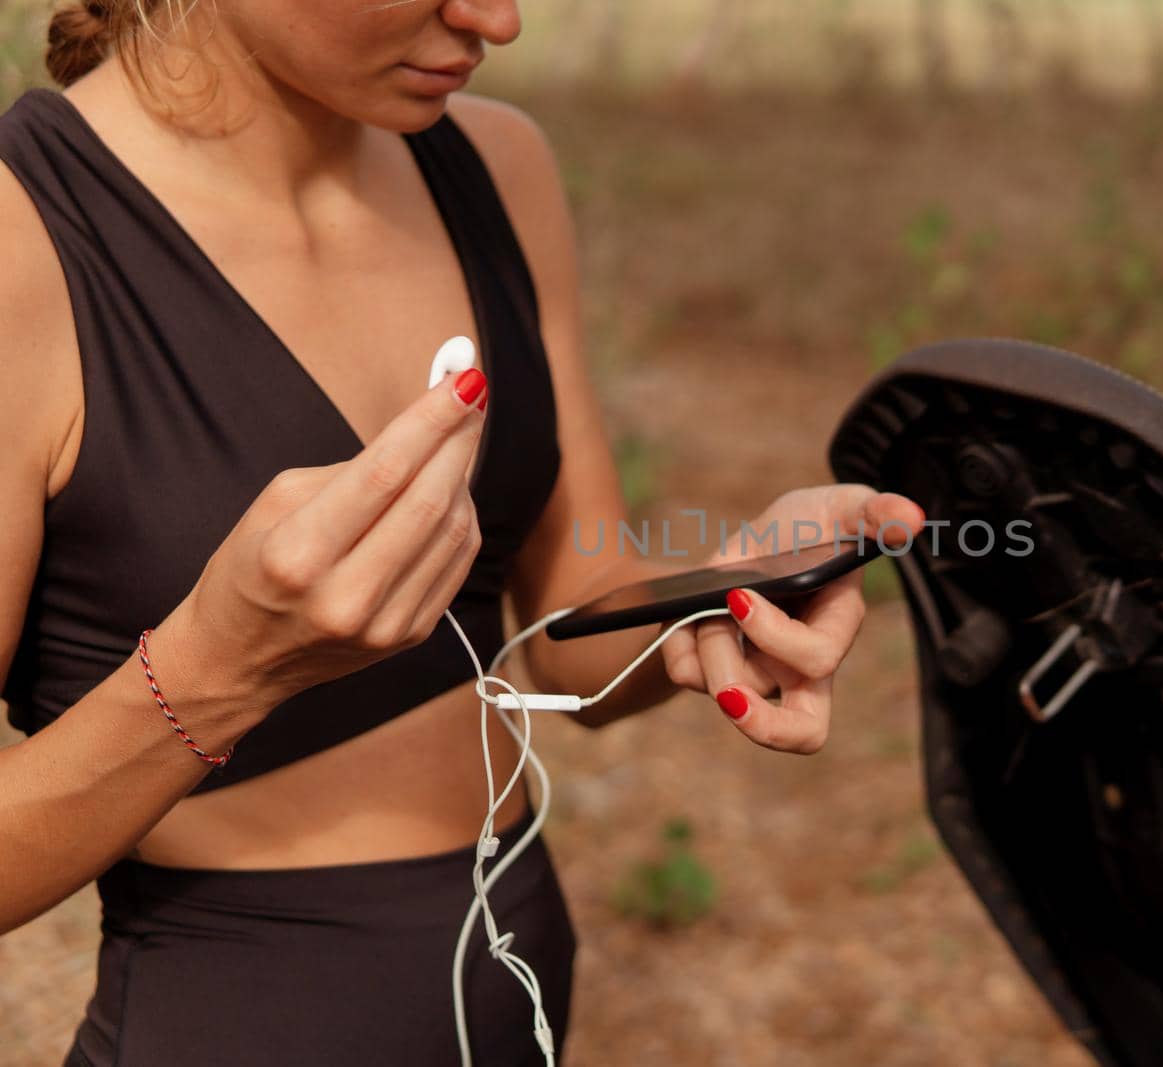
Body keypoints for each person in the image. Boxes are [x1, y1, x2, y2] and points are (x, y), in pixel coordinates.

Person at [0, 2, 926, 1064]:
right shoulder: (20, 242)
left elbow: (571, 628)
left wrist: (729, 591)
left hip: (515, 987)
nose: (499, 18)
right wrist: (220, 672)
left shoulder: (495, 164)